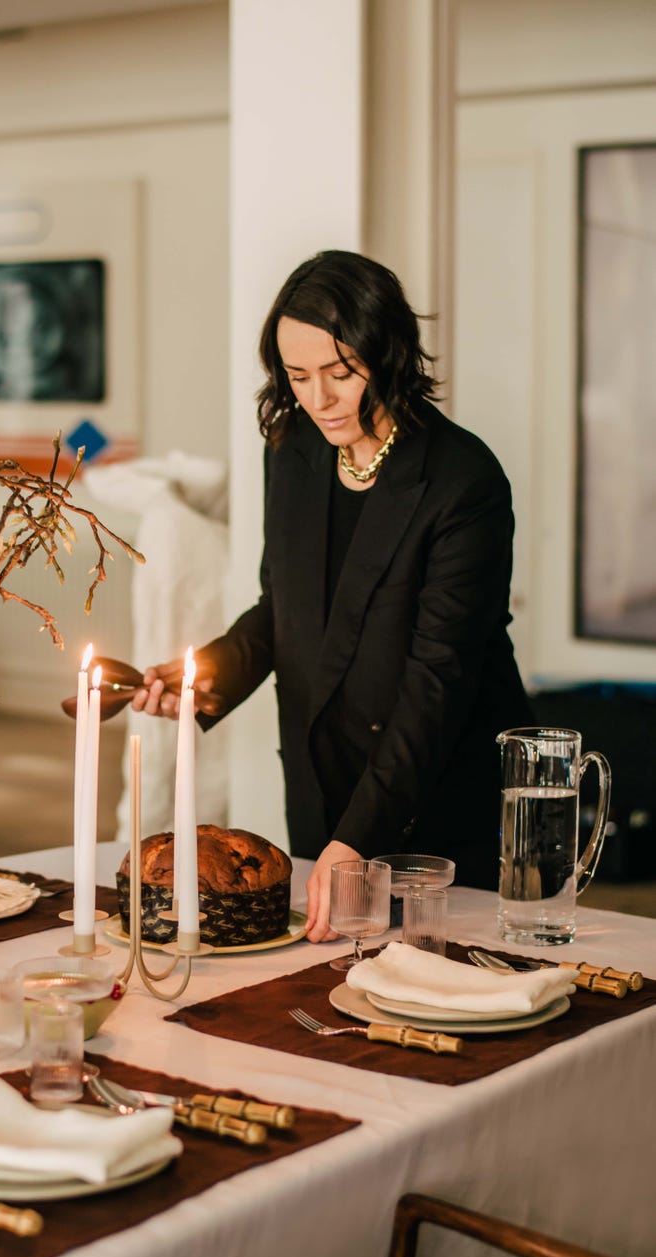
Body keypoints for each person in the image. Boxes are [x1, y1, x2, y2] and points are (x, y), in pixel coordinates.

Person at [132, 249, 532, 942]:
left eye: (341, 374)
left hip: (433, 794)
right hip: (322, 775)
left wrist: (361, 837)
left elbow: (439, 680)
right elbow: (280, 606)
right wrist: (210, 674)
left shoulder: (463, 483)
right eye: (298, 376)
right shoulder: (292, 448)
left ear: (390, 354)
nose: (319, 399)